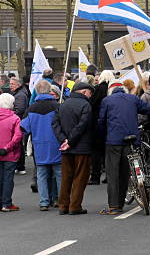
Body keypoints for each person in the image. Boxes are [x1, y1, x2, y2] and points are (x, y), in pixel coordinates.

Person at [97, 82, 150, 215]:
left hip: (113, 140)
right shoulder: (133, 99)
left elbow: (101, 121)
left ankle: (114, 206)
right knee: (125, 173)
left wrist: (102, 137)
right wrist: (147, 125)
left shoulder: (107, 100)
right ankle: (121, 203)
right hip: (132, 139)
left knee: (113, 174)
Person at [53, 82, 95, 215]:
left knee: (66, 177)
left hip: (66, 147)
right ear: (84, 92)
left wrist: (63, 140)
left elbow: (55, 123)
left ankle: (63, 205)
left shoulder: (62, 104)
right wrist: (70, 141)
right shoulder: (86, 105)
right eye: (90, 92)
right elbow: (82, 125)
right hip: (81, 147)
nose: (90, 95)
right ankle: (75, 206)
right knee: (80, 177)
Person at [21, 79, 61, 211]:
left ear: (37, 91)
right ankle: (59, 199)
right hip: (56, 144)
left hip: (39, 145)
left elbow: (24, 127)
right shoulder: (57, 107)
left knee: (42, 174)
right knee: (58, 173)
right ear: (49, 91)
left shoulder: (31, 108)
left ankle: (44, 201)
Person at [9, 77, 29, 174]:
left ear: (18, 85)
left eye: (12, 84)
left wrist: (10, 116)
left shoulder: (20, 95)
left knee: (18, 144)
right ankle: (18, 165)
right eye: (10, 84)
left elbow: (19, 110)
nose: (10, 86)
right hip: (18, 122)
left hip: (18, 123)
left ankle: (20, 166)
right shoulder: (18, 93)